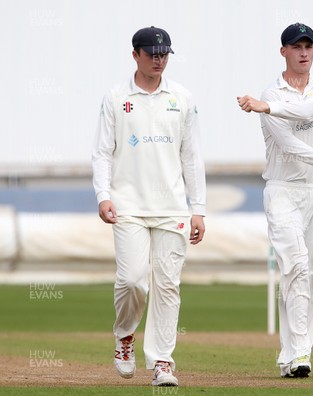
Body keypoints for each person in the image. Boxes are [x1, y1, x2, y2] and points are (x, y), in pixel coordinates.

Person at [237, 22, 313, 378]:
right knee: (295, 267)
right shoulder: (270, 91)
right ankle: (301, 354)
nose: (303, 53)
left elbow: (309, 113)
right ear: (283, 52)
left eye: (308, 47)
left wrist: (267, 108)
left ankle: (290, 356)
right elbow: (290, 146)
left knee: (311, 277)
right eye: (296, 47)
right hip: (282, 191)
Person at [92, 26, 206, 387]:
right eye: (152, 53)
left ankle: (162, 362)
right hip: (128, 206)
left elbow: (192, 157)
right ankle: (125, 335)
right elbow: (101, 152)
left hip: (172, 207)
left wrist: (198, 208)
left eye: (164, 54)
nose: (159, 60)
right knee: (133, 280)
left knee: (168, 285)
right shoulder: (115, 98)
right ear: (135, 54)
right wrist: (103, 195)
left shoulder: (182, 98)